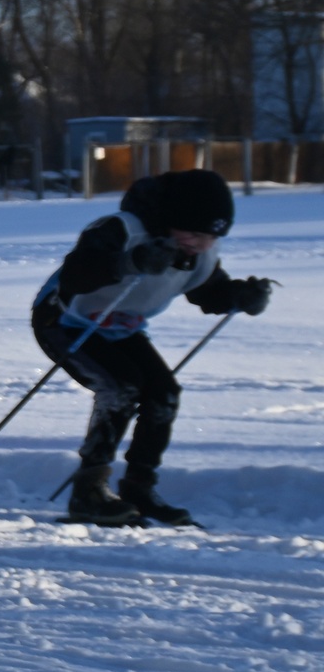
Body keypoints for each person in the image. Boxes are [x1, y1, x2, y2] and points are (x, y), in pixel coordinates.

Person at [31, 167, 271, 527]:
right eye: (191, 232)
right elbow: (78, 273)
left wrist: (240, 296)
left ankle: (139, 488)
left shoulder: (198, 251)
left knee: (164, 394)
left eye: (209, 237)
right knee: (121, 387)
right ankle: (89, 490)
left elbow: (207, 290)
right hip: (64, 321)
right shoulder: (123, 229)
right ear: (169, 219)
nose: (198, 243)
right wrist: (132, 261)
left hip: (120, 325)